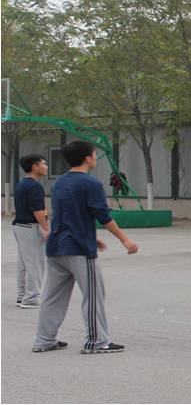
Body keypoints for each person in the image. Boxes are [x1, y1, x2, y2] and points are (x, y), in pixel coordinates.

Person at [32, 141, 139, 354]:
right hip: (79, 249)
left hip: (56, 247)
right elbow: (103, 216)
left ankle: (44, 339)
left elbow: (66, 214)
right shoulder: (91, 184)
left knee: (52, 297)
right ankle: (96, 341)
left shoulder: (59, 183)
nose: (95, 157)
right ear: (87, 158)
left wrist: (92, 237)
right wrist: (125, 239)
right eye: (94, 154)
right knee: (93, 295)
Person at [13, 154, 50, 309]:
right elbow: (37, 210)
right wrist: (46, 228)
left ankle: (22, 296)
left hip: (20, 226)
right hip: (30, 227)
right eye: (44, 163)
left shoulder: (22, 184)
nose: (46, 167)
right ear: (35, 167)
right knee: (35, 263)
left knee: (24, 263)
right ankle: (31, 298)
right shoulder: (35, 186)